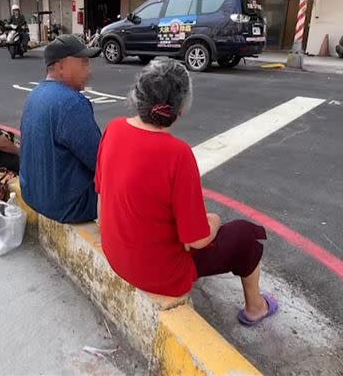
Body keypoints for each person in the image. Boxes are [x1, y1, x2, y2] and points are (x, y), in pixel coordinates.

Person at [95, 58, 277, 326]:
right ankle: (255, 308)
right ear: (181, 108)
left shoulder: (114, 128)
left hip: (116, 254)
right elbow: (197, 240)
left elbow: (101, 197)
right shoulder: (177, 153)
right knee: (245, 235)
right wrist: (213, 221)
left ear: (137, 95)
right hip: (160, 274)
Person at [20, 35, 101, 223]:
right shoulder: (72, 103)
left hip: (33, 194)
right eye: (83, 63)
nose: (89, 71)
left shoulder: (35, 94)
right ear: (61, 66)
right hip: (69, 205)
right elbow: (100, 161)